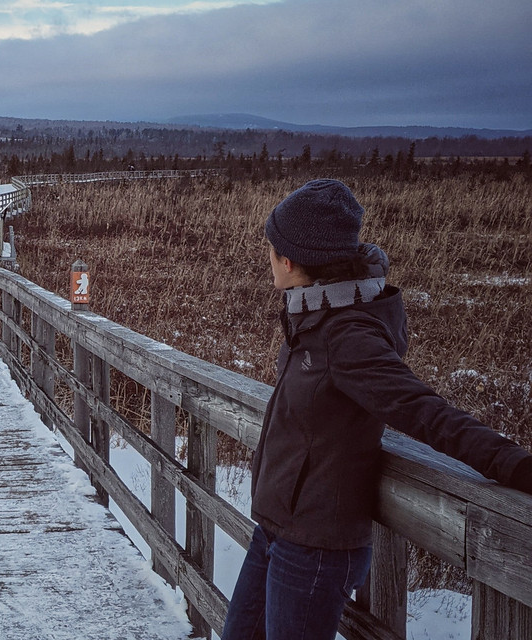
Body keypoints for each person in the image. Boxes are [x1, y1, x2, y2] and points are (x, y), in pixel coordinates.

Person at [222, 178, 532, 640]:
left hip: (315, 546)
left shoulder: (347, 337)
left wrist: (514, 463)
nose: (267, 257)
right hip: (276, 528)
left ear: (290, 260)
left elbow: (422, 409)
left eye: (271, 248)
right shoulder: (310, 314)